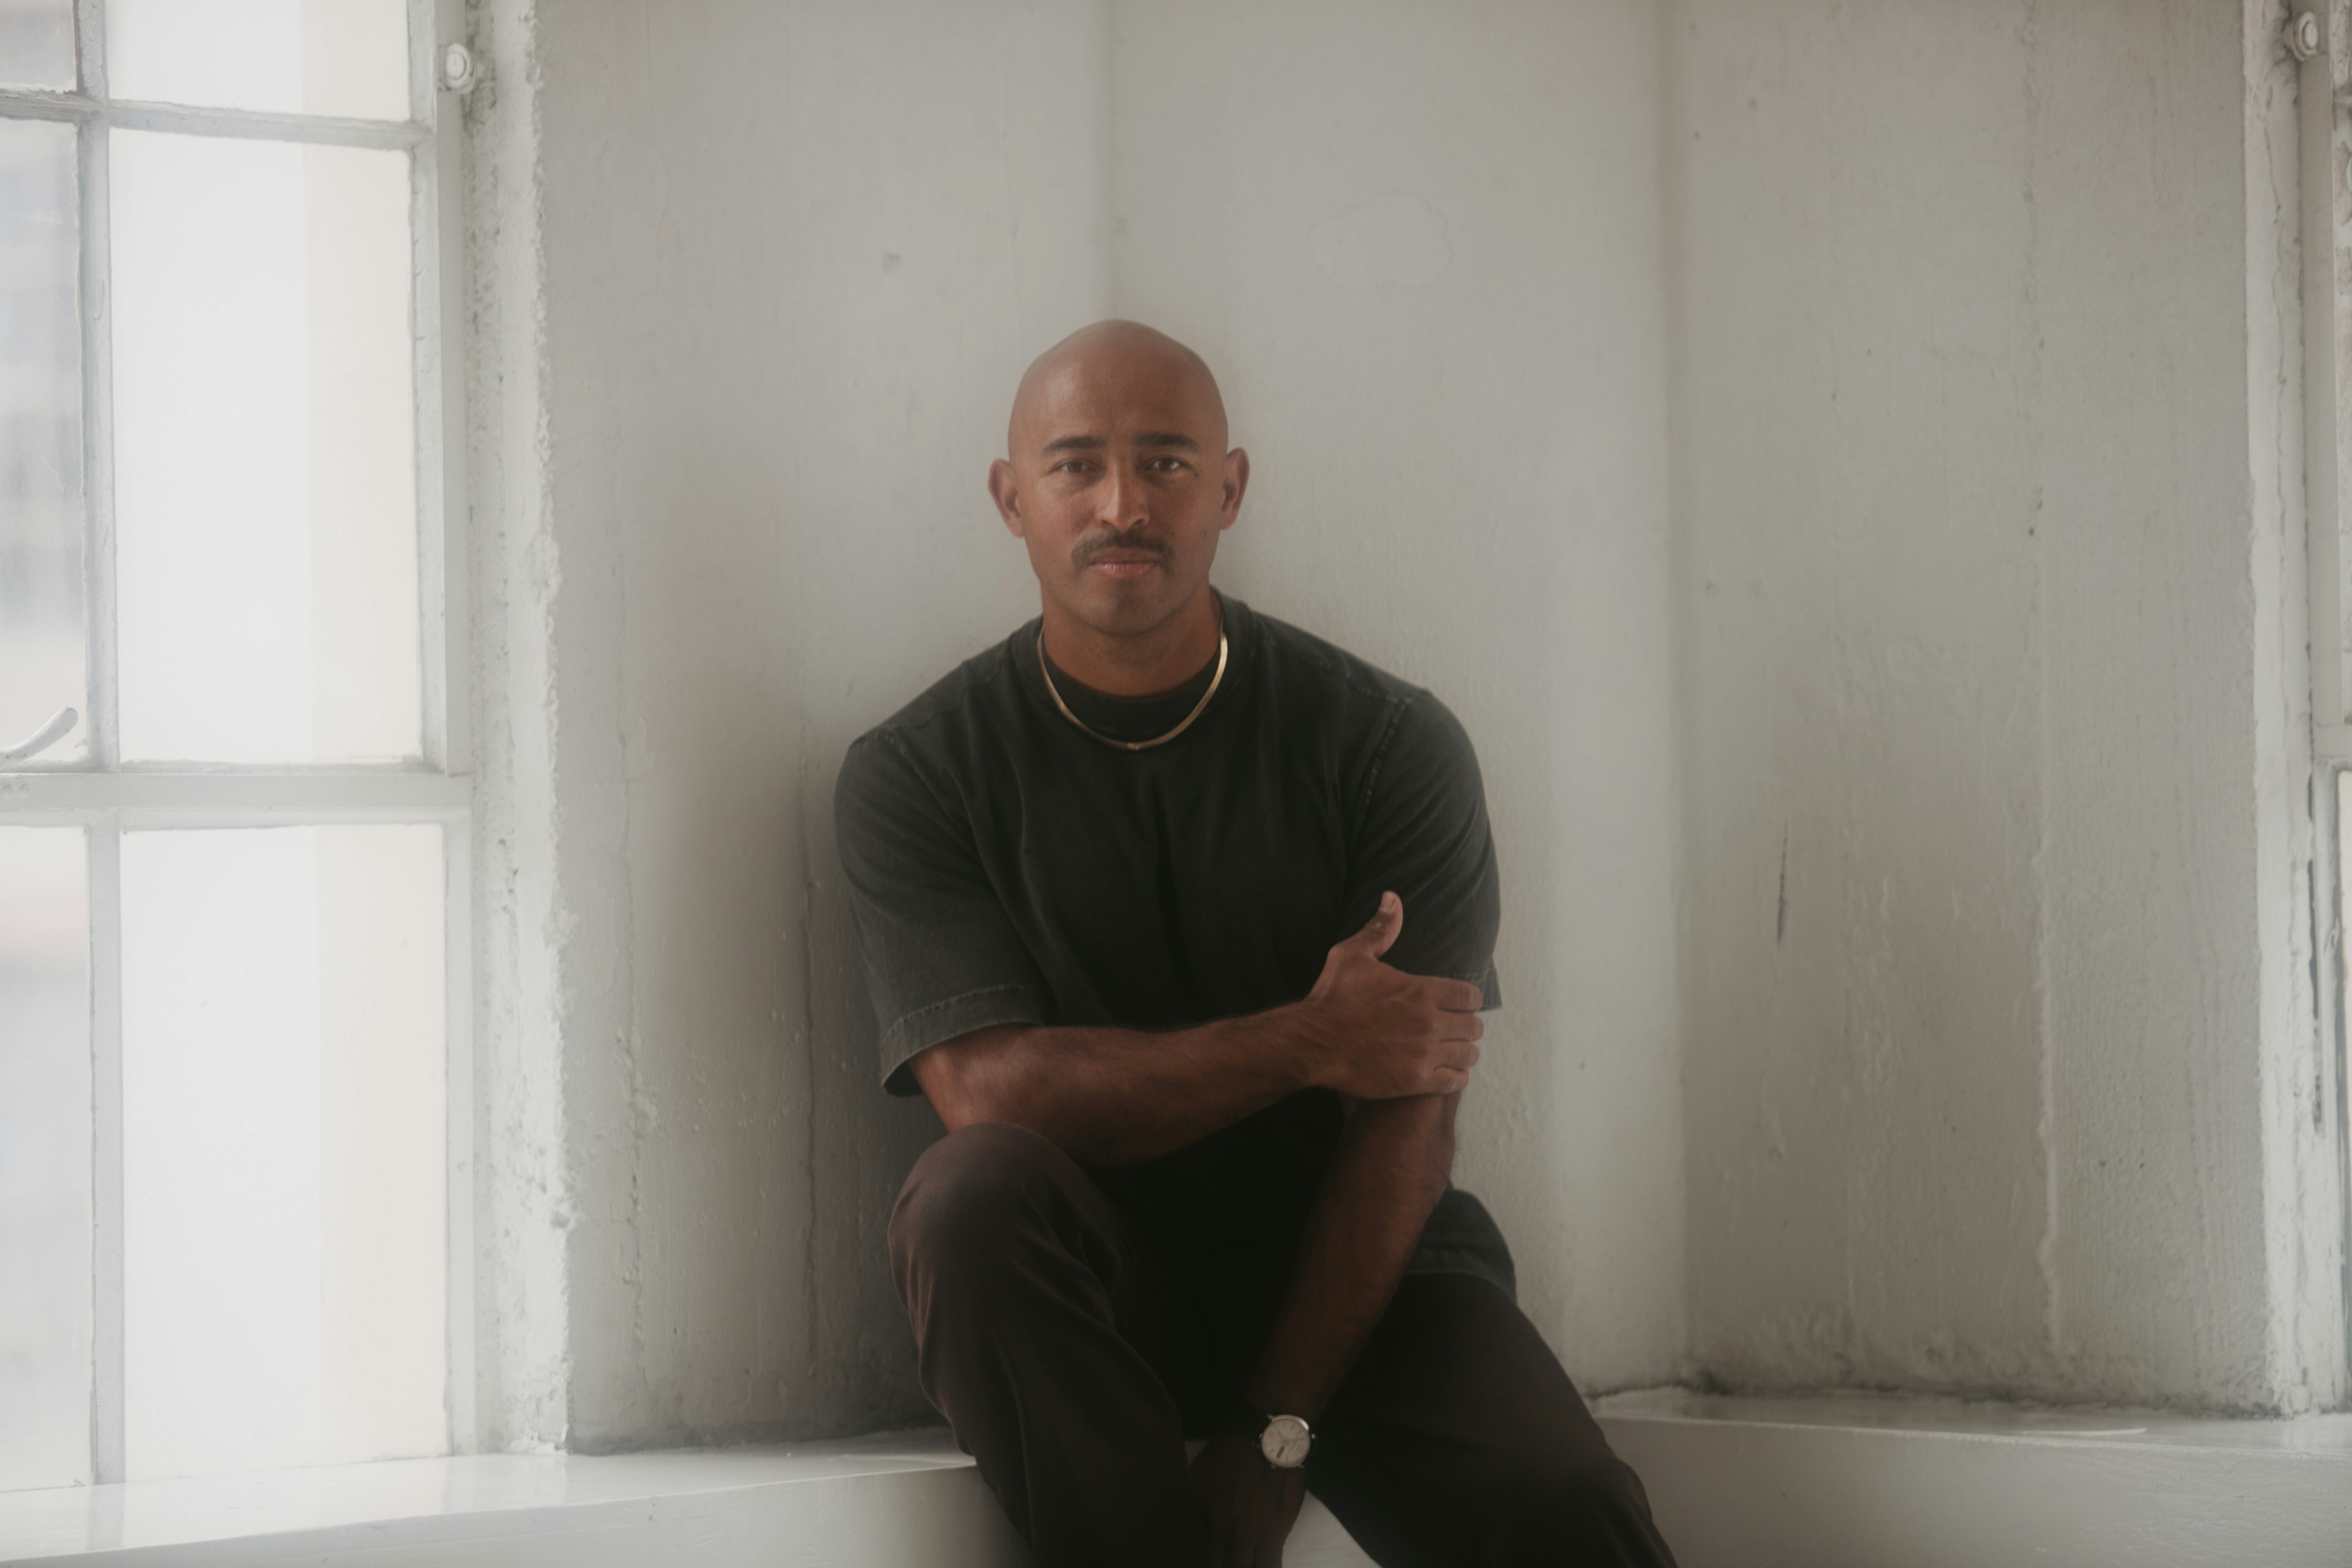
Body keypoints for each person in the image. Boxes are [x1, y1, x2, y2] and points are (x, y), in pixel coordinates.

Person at [834, 320, 1678, 1568]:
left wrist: (1275, 1430)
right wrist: (1307, 1042)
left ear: (1229, 488)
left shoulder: (1385, 745)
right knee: (964, 1200)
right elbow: (996, 1101)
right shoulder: (918, 773)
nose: (1123, 504)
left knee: (1568, 1509)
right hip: (1101, 1292)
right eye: (1076, 466)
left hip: (1368, 1280)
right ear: (1012, 500)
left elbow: (1407, 1122)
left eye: (1166, 462)